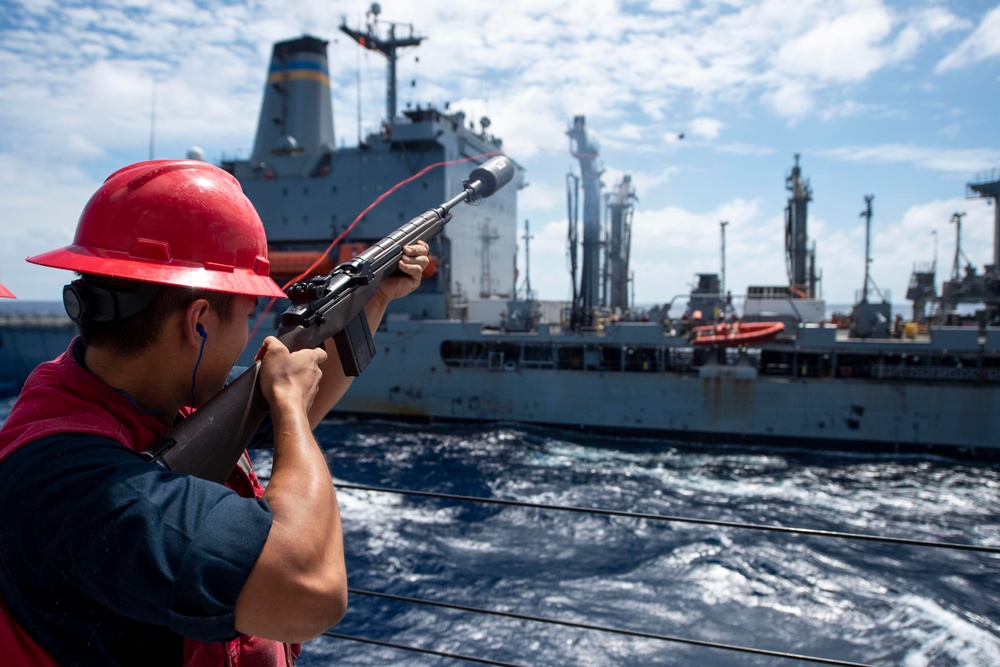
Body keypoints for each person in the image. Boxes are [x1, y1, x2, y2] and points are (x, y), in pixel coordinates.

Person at [0, 160, 429, 666]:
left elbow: (270, 411)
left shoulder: (133, 390)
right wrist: (290, 409)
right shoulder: (74, 483)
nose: (253, 335)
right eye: (249, 315)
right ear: (198, 322)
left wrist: (372, 297)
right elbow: (311, 592)